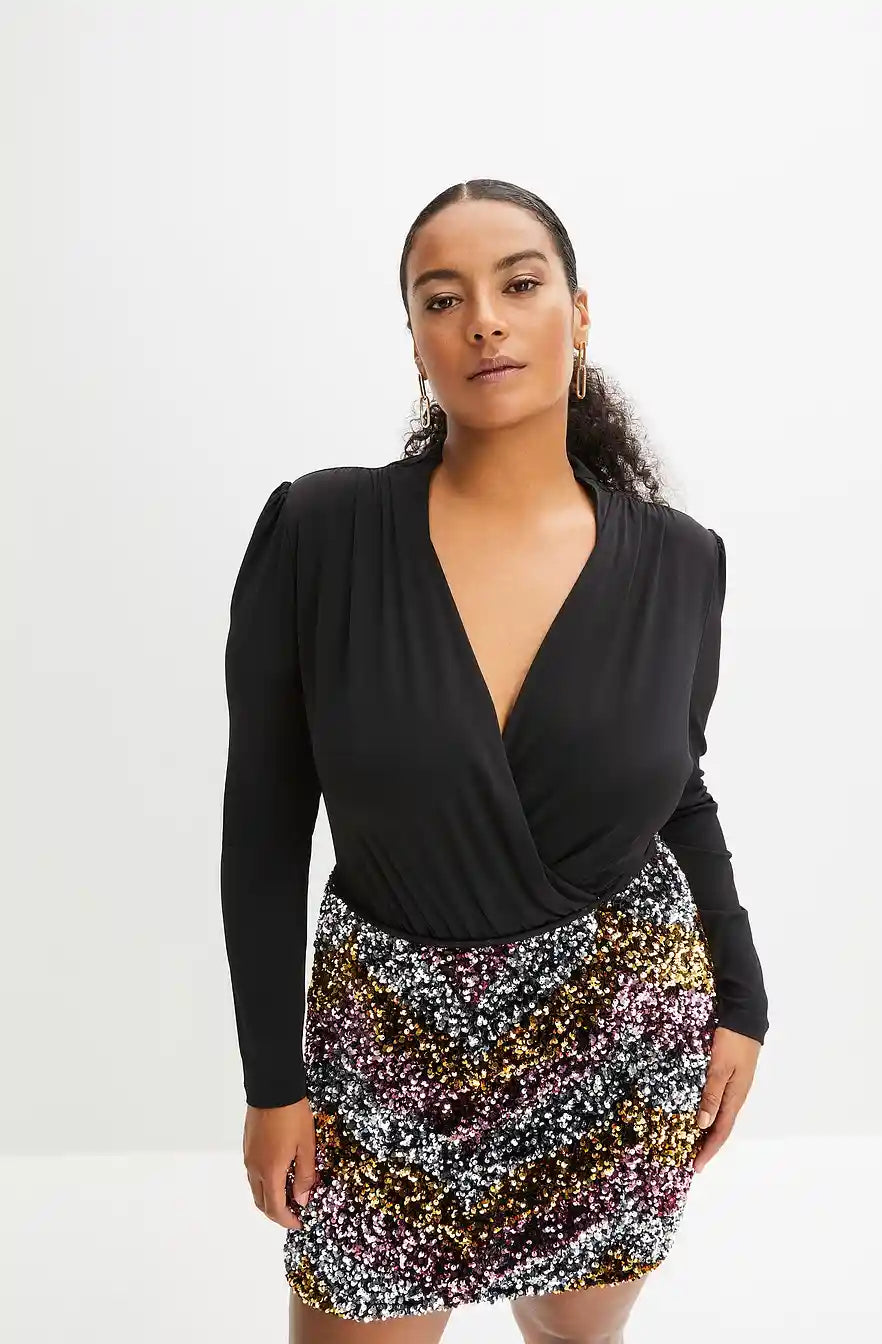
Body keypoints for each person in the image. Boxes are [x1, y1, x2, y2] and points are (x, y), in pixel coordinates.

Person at [219, 179, 769, 1343]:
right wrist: (275, 1083)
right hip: (384, 1044)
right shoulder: (320, 533)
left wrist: (745, 999)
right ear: (415, 339)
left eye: (519, 284)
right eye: (442, 298)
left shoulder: (681, 562)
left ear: (580, 313)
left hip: (617, 1036)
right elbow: (262, 828)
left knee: (574, 1335)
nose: (484, 320)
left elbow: (680, 789)